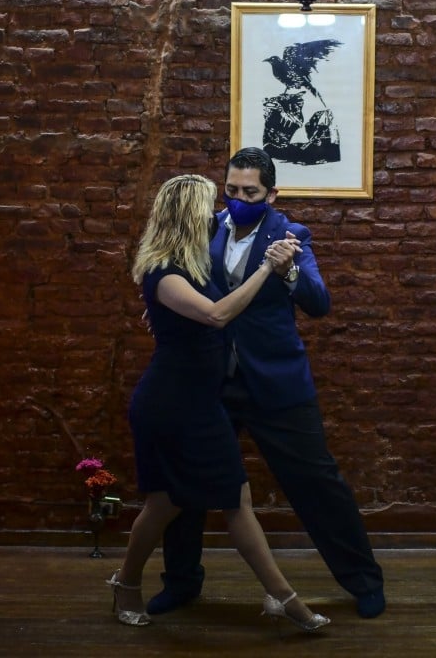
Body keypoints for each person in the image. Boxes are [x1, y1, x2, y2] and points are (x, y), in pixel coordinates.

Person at [146, 148, 386, 619]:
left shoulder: (291, 234)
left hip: (276, 384)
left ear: (271, 194)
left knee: (318, 483)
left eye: (249, 192)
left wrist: (289, 271)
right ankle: (181, 582)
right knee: (188, 482)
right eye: (231, 190)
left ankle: (364, 582)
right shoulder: (206, 227)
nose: (237, 199)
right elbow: (176, 278)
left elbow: (319, 304)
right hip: (211, 381)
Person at [110, 173, 330, 632]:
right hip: (170, 406)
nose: (223, 212)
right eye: (213, 204)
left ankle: (282, 597)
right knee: (164, 505)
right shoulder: (164, 270)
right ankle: (127, 582)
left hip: (201, 404)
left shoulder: (193, 265)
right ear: (191, 215)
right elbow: (217, 315)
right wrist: (267, 268)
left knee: (233, 499)